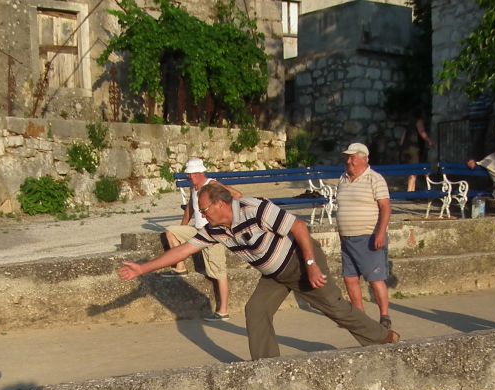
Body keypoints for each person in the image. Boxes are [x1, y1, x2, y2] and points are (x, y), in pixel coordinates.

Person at [118, 184, 401, 360]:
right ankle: (268, 366)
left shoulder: (255, 208)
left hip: (301, 261)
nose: (202, 215)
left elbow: (299, 228)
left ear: (220, 204)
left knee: (336, 310)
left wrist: (312, 265)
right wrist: (143, 268)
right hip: (275, 273)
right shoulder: (215, 229)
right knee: (256, 311)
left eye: (204, 210)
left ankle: (384, 338)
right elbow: (183, 250)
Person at [162, 158, 239, 321]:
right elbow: (190, 208)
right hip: (197, 230)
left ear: (198, 174)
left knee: (219, 271)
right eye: (188, 175)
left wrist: (228, 222)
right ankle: (180, 267)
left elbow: (237, 195)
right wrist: (182, 227)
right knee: (171, 232)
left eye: (190, 174)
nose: (188, 177)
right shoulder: (194, 187)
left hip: (213, 232)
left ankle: (223, 311)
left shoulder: (212, 185)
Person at [336, 142, 393, 329]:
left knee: (375, 278)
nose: (349, 160)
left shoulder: (375, 179)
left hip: (368, 236)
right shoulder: (342, 179)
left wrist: (380, 233)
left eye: (352, 157)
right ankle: (360, 316)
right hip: (347, 238)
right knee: (349, 278)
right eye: (348, 157)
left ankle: (384, 316)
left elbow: (385, 207)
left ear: (364, 159)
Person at [399, 109, 433, 192]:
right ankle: (410, 192)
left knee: (410, 171)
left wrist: (401, 148)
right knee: (414, 171)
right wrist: (429, 141)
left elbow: (402, 138)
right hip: (413, 149)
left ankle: (411, 190)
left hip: (405, 148)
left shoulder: (409, 123)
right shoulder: (418, 121)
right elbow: (422, 132)